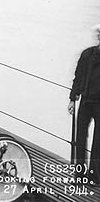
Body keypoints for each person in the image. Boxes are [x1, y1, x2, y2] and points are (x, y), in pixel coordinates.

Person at [69, 24, 100, 184]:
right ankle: (79, 175)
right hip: (86, 101)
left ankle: (94, 176)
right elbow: (78, 77)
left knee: (99, 141)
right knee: (80, 138)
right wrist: (72, 98)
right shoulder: (87, 54)